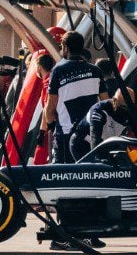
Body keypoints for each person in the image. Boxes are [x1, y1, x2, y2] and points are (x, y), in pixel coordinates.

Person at [41, 32, 100, 162]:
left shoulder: (58, 71)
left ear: (66, 47)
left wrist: (50, 125)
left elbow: (50, 107)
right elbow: (104, 101)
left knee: (62, 175)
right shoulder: (95, 71)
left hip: (66, 134)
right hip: (90, 133)